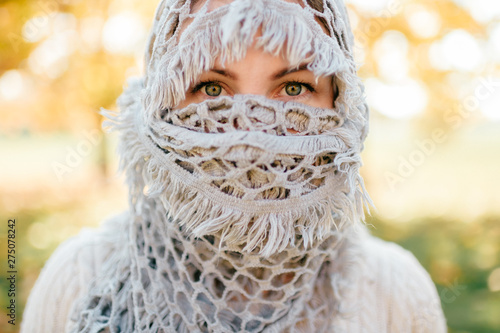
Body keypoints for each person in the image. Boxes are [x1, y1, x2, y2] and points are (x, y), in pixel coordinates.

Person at [21, 0, 447, 332]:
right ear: (159, 105)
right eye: (211, 88)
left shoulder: (396, 294)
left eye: (293, 87)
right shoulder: (79, 279)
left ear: (341, 100)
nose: (250, 131)